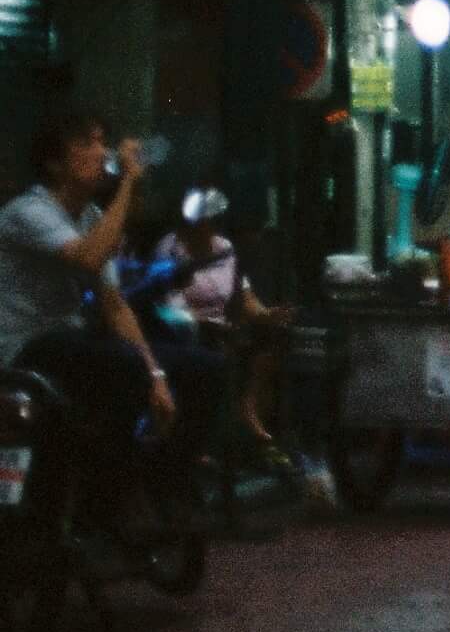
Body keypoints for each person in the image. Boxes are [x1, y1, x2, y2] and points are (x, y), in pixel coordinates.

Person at [1, 113, 226, 513]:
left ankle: (163, 485)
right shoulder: (29, 211)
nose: (102, 152)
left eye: (102, 141)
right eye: (87, 144)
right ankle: (99, 507)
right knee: (120, 368)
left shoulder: (89, 218)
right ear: (55, 163)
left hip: (69, 345)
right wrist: (127, 183)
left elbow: (114, 304)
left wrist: (156, 373)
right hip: (25, 350)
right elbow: (88, 256)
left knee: (204, 367)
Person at [156, 188, 297, 458]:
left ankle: (248, 408)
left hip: (228, 325)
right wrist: (204, 322)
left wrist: (268, 315)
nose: (209, 226)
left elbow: (244, 296)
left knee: (275, 336)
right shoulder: (170, 249)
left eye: (213, 220)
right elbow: (167, 307)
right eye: (202, 220)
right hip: (189, 329)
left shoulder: (224, 248)